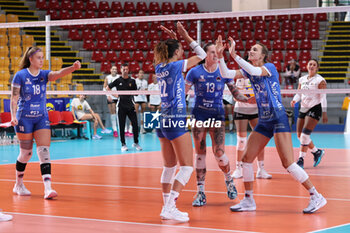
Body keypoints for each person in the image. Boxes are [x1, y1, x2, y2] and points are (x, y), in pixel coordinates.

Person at [216, 36, 327, 214]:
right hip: (264, 120)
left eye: (255, 50)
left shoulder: (269, 67)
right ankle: (249, 200)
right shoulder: (249, 71)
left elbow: (252, 68)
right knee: (245, 159)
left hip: (278, 117)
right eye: (250, 49)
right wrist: (221, 56)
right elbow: (226, 74)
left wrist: (234, 55)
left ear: (263, 56)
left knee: (288, 163)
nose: (251, 51)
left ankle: (316, 195)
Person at [185, 42, 255, 207]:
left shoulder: (223, 72)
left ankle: (228, 179)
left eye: (217, 53)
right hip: (199, 117)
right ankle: (200, 192)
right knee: (200, 154)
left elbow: (235, 92)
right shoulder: (194, 72)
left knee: (219, 154)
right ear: (205, 56)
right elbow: (183, 92)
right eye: (212, 53)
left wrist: (247, 99)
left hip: (217, 116)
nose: (215, 55)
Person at [10, 46, 81, 199]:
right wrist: (13, 116)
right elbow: (14, 98)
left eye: (43, 58)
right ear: (31, 59)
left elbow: (57, 74)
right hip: (24, 117)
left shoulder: (44, 74)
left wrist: (72, 68)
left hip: (41, 117)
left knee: (44, 151)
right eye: (39, 58)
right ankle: (18, 184)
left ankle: (48, 188)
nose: (42, 60)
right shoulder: (20, 76)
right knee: (26, 153)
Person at [155, 22, 206, 222]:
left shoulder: (159, 66)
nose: (183, 52)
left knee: (169, 167)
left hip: (162, 118)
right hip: (175, 118)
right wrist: (185, 36)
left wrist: (173, 40)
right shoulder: (176, 66)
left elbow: (164, 52)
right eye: (181, 50)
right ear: (175, 53)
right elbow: (202, 55)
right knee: (186, 167)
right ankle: (170, 206)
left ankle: (165, 206)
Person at [232, 77, 272, 179]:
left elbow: (266, 95)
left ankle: (261, 169)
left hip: (255, 111)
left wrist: (258, 99)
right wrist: (247, 100)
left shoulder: (259, 79)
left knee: (259, 140)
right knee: (241, 140)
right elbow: (235, 96)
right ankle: (238, 169)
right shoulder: (240, 79)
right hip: (241, 110)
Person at [291, 59, 328, 169]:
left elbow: (323, 97)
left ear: (317, 68)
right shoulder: (302, 79)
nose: (311, 66)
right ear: (307, 66)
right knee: (299, 136)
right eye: (310, 64)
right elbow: (299, 93)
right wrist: (294, 100)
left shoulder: (320, 80)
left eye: (314, 65)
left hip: (315, 108)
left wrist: (325, 112)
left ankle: (301, 159)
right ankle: (317, 152)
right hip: (303, 108)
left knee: (304, 135)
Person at [107, 63, 142, 152]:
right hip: (121, 106)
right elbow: (108, 88)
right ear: (121, 70)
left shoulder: (132, 81)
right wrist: (115, 95)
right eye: (123, 69)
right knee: (122, 126)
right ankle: (123, 144)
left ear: (128, 70)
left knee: (135, 124)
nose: (125, 71)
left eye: (126, 69)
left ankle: (136, 143)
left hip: (131, 106)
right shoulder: (117, 80)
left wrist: (138, 91)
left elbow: (135, 93)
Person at [103, 66, 119, 138]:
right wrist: (108, 96)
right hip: (110, 97)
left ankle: (122, 129)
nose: (114, 70)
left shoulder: (119, 77)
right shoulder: (107, 77)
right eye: (113, 69)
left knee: (119, 113)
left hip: (118, 96)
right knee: (113, 112)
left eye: (115, 69)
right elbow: (104, 87)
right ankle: (115, 130)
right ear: (110, 70)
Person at [134, 69, 148, 134]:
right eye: (140, 73)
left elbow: (146, 90)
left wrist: (144, 90)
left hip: (143, 98)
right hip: (136, 98)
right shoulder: (135, 81)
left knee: (142, 114)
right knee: (134, 113)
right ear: (138, 74)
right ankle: (133, 128)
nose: (141, 74)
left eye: (142, 73)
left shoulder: (145, 82)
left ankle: (142, 128)